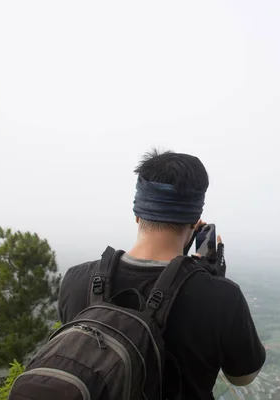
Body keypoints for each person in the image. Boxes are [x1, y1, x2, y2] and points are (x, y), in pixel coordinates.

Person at [57, 149, 266, 399]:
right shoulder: (223, 296)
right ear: (195, 220)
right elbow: (242, 377)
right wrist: (210, 279)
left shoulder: (75, 279)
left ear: (137, 214)